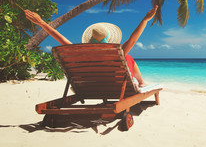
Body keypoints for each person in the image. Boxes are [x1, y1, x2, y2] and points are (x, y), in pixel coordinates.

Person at [24, 5, 158, 87]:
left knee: (126, 56)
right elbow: (133, 40)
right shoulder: (116, 52)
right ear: (109, 38)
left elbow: (59, 37)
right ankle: (141, 82)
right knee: (128, 57)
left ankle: (141, 82)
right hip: (114, 85)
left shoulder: (79, 52)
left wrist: (41, 22)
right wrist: (145, 20)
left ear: (90, 38)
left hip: (90, 85)